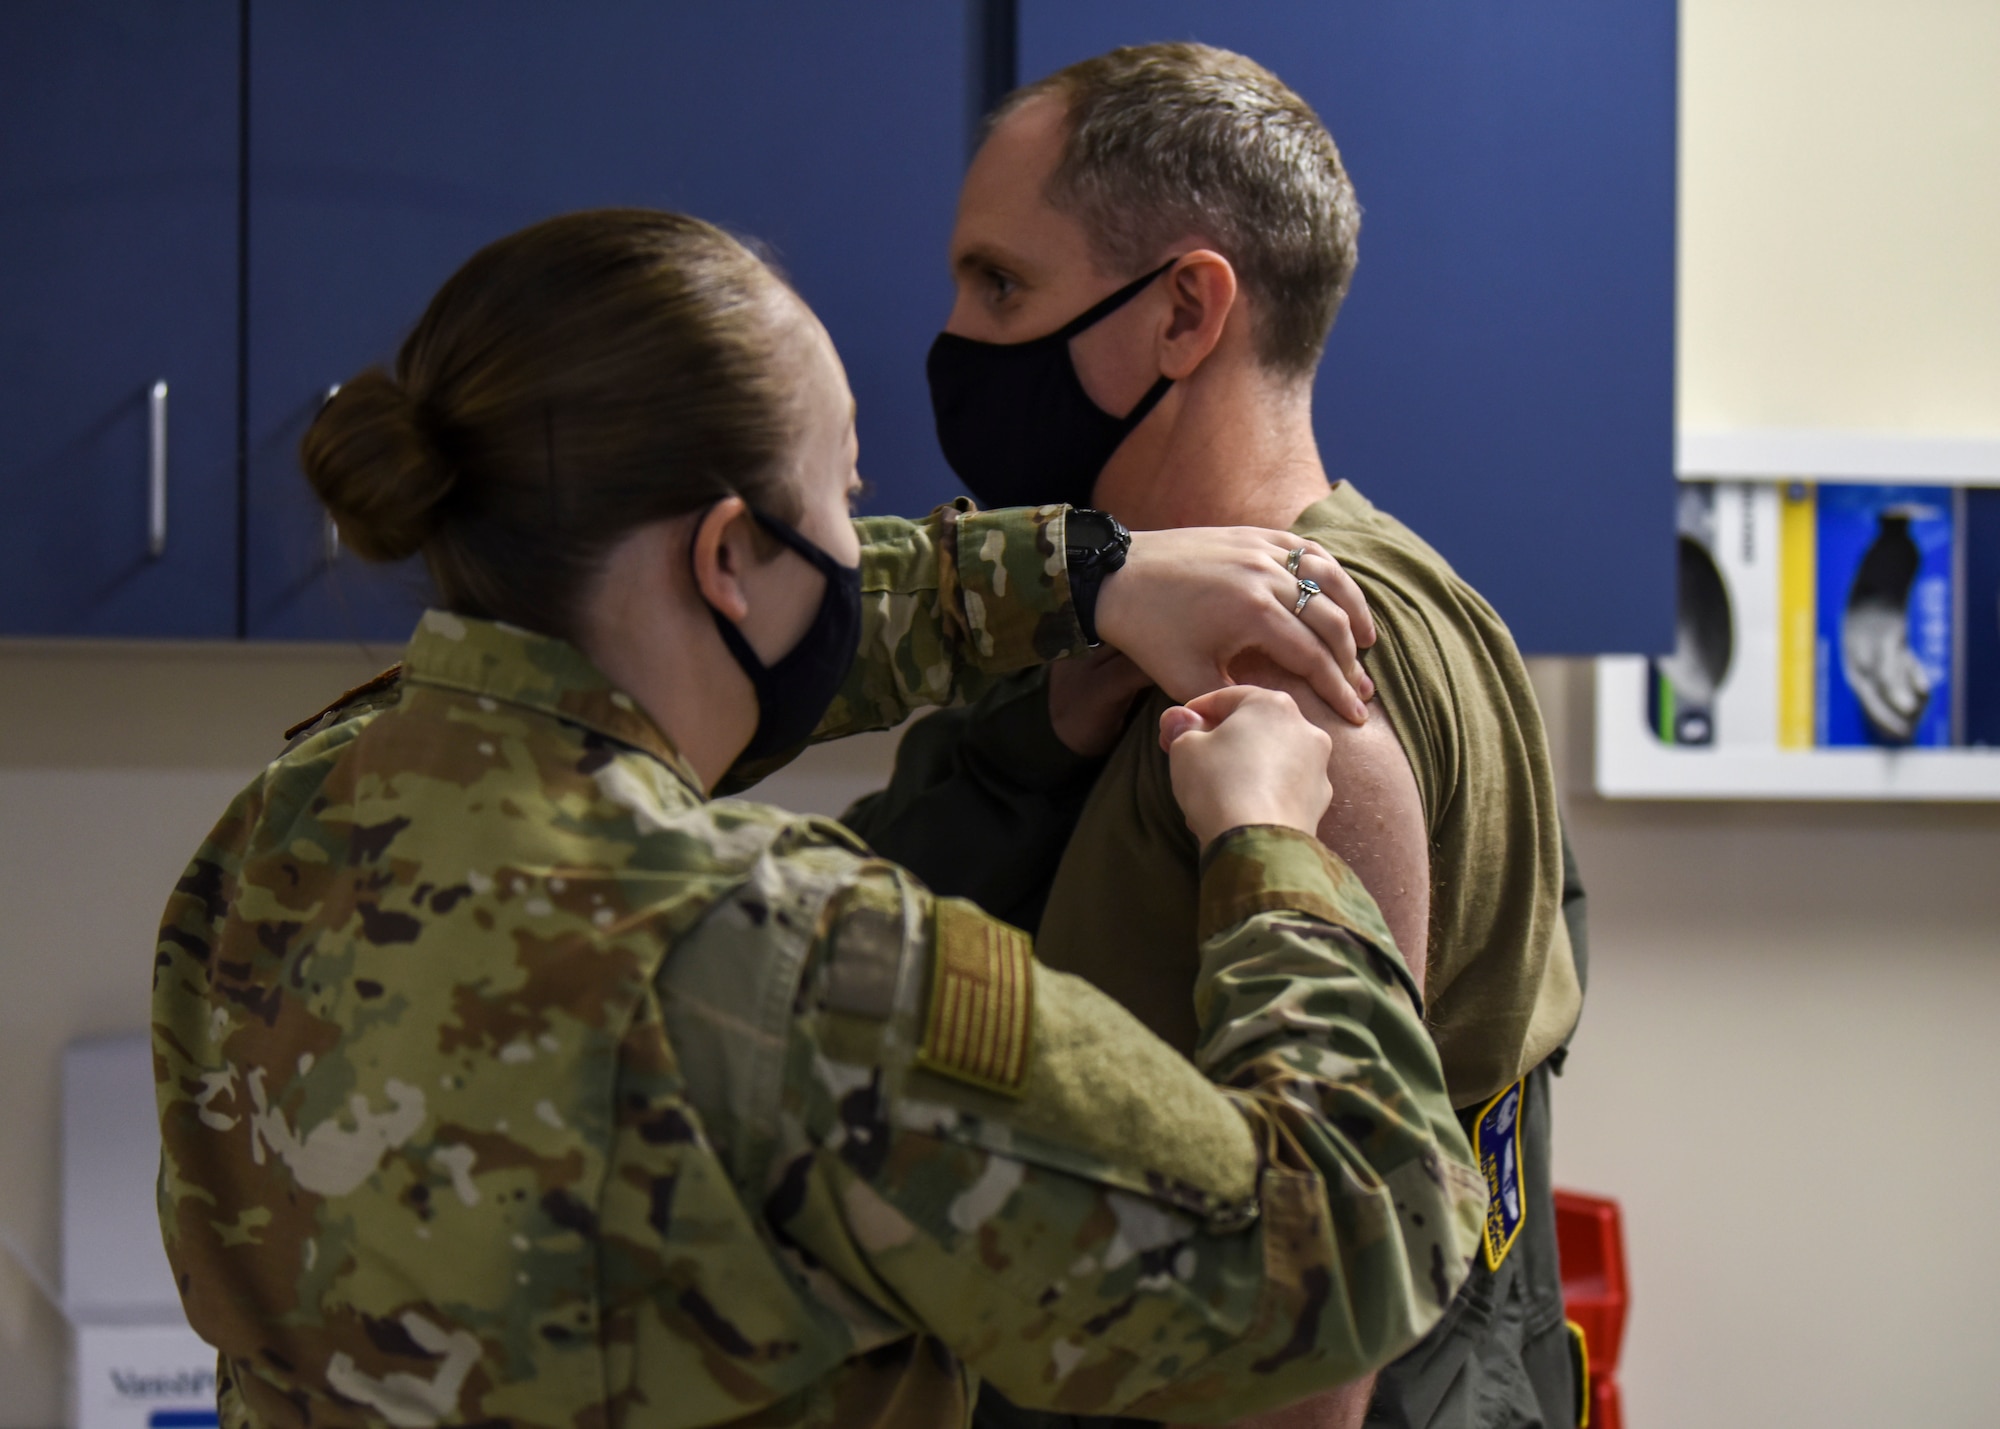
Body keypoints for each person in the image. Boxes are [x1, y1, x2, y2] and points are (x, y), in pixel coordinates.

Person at [150, 208, 1489, 1429]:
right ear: (731, 554)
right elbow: (1344, 1253)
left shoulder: (287, 820)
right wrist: (1275, 852)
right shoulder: (791, 962)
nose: (860, 542)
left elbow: (707, 639)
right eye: (845, 498)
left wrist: (1098, 576)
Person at [845, 44, 1590, 1429]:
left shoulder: (1298, 674)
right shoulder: (1120, 640)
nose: (952, 336)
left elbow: (1305, 1374)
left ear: (1187, 311)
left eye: (1002, 284)